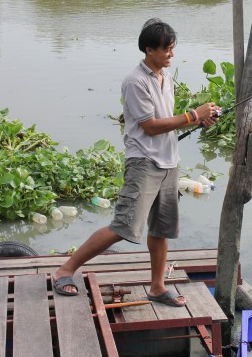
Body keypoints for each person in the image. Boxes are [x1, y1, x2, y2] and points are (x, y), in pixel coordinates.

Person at [52, 18, 220, 306]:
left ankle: (157, 287)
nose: (171, 54)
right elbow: (151, 126)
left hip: (169, 162)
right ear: (148, 49)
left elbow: (166, 120)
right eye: (166, 49)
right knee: (123, 226)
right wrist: (192, 115)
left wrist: (199, 120)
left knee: (161, 228)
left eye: (172, 48)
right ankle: (65, 270)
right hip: (144, 163)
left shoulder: (165, 78)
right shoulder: (135, 81)